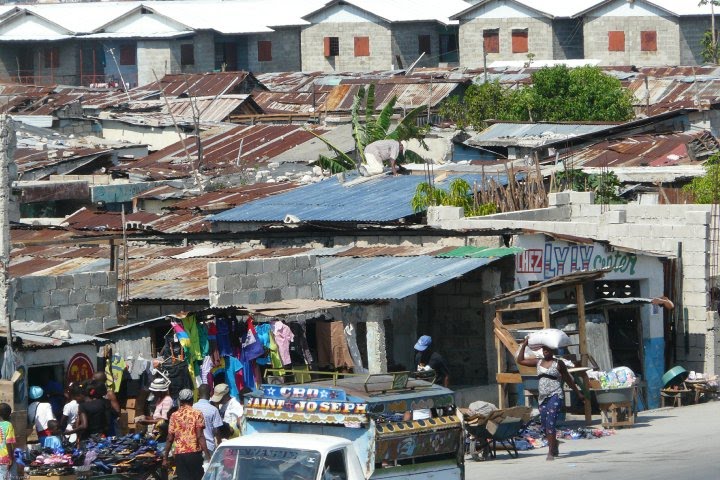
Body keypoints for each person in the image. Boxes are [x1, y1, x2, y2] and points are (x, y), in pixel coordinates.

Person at [517, 336, 585, 461]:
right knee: (544, 425)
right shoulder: (538, 362)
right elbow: (520, 360)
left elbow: (568, 379)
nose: (545, 352)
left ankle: (551, 452)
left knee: (551, 423)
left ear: (552, 351)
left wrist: (578, 392)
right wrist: (524, 344)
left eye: (547, 350)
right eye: (544, 350)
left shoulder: (559, 363)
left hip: (555, 395)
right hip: (542, 397)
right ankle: (555, 444)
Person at [163, 389, 210, 480]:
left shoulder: (174, 415)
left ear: (180, 401)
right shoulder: (197, 413)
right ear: (192, 400)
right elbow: (200, 436)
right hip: (194, 454)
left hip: (179, 455)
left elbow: (169, 438)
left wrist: (165, 457)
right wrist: (208, 456)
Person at [192, 384, 223, 453]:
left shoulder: (192, 408)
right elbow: (217, 431)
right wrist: (219, 443)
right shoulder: (214, 409)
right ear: (210, 394)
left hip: (194, 446)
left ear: (198, 394)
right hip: (209, 446)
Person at [0, 403, 16, 480]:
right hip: (5, 458)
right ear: (9, 414)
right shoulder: (8, 425)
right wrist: (10, 458)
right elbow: (8, 443)